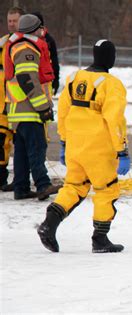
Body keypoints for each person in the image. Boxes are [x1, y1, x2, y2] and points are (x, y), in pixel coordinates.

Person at [37, 39, 130, 254]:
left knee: (74, 186)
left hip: (75, 146)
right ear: (111, 58)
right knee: (106, 190)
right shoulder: (111, 84)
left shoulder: (74, 77)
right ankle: (100, 238)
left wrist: (63, 142)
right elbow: (115, 120)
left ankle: (49, 225)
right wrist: (122, 150)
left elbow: (64, 111)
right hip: (99, 147)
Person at [3, 14, 60, 200]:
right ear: (35, 29)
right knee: (36, 148)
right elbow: (27, 80)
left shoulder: (20, 45)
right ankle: (43, 185)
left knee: (22, 152)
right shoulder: (27, 48)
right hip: (29, 109)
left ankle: (21, 188)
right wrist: (43, 107)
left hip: (19, 110)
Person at [0, 6, 24, 191]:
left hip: (20, 104)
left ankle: (21, 180)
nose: (11, 24)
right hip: (2, 103)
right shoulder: (2, 43)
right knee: (1, 142)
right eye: (9, 21)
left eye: (15, 20)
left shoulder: (27, 44)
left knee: (21, 144)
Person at [32, 12, 60, 96]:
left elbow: (54, 60)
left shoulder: (49, 40)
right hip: (30, 80)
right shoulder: (25, 39)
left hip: (45, 82)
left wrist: (56, 79)